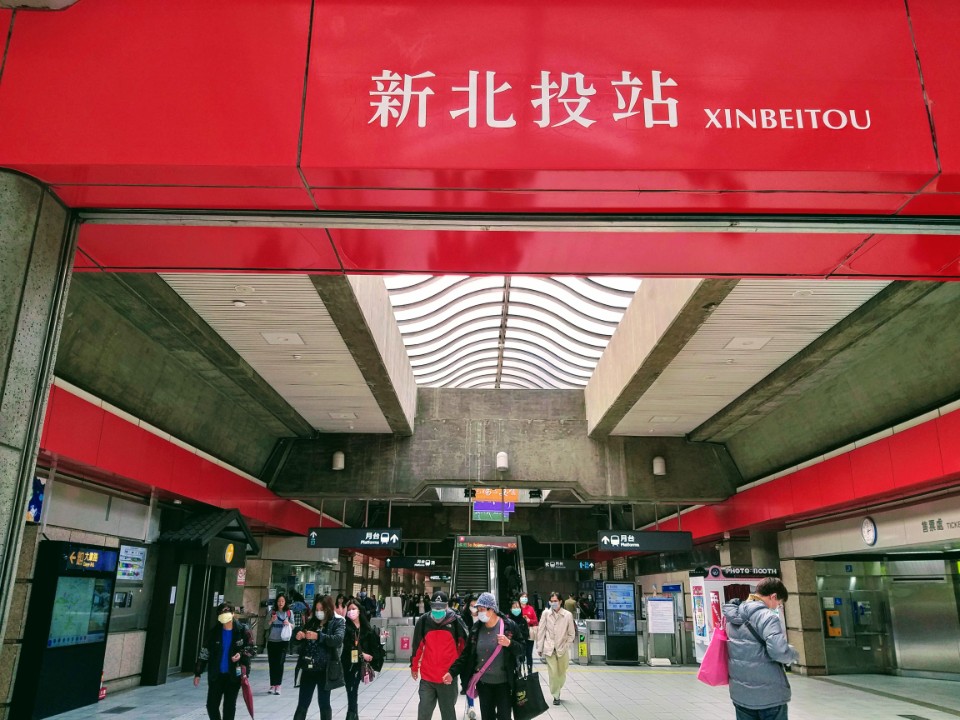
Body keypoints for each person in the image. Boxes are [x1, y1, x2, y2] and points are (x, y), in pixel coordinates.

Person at [723, 577, 799, 720]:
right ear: (773, 596)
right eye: (779, 603)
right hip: (768, 696)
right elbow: (779, 652)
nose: (777, 607)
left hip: (741, 694)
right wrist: (793, 653)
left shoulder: (733, 616)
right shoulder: (768, 617)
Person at [450, 592, 524, 720]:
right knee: (487, 717)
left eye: (482, 609)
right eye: (478, 610)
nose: (479, 613)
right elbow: (466, 654)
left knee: (504, 717)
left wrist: (510, 643)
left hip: (504, 684)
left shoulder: (509, 626)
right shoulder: (476, 629)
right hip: (484, 684)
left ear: (492, 609)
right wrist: (452, 672)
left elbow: (522, 649)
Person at [410, 590, 469, 720]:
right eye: (435, 607)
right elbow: (417, 647)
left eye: (441, 607)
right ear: (430, 606)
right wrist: (414, 667)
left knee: (448, 714)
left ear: (447, 606)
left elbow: (464, 646)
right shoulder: (424, 621)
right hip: (427, 677)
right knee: (424, 713)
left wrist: (457, 668)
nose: (438, 610)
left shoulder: (455, 621)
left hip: (447, 677)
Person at [193, 601, 256, 720]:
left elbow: (252, 649)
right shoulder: (214, 632)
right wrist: (198, 672)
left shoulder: (242, 630)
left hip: (234, 674)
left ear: (233, 614)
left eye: (227, 611)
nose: (224, 614)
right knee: (211, 705)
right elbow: (204, 652)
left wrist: (240, 654)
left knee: (229, 706)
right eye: (221, 612)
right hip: (216, 674)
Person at [293, 595, 345, 720]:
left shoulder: (338, 622)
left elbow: (337, 640)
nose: (319, 612)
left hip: (324, 670)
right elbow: (298, 641)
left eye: (322, 609)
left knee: (324, 703)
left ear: (328, 609)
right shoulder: (312, 622)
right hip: (308, 668)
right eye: (317, 609)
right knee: (302, 704)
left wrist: (318, 636)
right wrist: (298, 636)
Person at [341, 598, 385, 720]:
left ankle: (353, 716)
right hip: (349, 665)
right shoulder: (345, 627)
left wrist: (382, 639)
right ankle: (352, 715)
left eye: (354, 609)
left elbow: (374, 645)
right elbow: (346, 646)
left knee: (353, 692)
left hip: (361, 665)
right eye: (349, 610)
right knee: (352, 692)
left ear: (359, 611)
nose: (351, 612)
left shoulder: (365, 626)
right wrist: (362, 654)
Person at [535, 591, 575, 705]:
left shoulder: (567, 615)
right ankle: (555, 695)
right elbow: (541, 631)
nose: (553, 603)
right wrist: (539, 647)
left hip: (562, 648)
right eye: (551, 601)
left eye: (555, 601)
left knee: (561, 672)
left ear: (560, 601)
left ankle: (558, 686)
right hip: (549, 648)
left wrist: (566, 645)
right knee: (553, 673)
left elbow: (571, 634)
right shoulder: (545, 614)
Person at [266, 593, 294, 695]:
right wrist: (271, 621)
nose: (280, 603)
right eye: (279, 601)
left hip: (283, 642)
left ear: (285, 602)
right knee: (272, 664)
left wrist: (289, 624)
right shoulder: (272, 612)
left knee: (280, 663)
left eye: (282, 601)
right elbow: (265, 626)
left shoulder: (289, 612)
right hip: (272, 641)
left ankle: (278, 685)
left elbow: (293, 625)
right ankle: (272, 685)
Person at [459, 595, 480, 720]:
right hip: (467, 656)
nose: (474, 608)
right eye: (472, 605)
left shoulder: (484, 618)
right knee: (468, 681)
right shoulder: (463, 619)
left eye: (476, 606)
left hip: (481, 655)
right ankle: (471, 706)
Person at [518, 591, 538, 672]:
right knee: (520, 654)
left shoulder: (530, 608)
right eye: (522, 597)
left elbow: (536, 621)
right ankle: (519, 671)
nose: (524, 598)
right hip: (519, 634)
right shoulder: (517, 608)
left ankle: (530, 671)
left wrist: (529, 620)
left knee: (529, 654)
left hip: (529, 633)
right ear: (519, 599)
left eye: (525, 597)